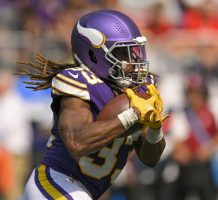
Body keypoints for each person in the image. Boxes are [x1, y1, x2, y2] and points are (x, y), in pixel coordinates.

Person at [18, 9, 167, 200]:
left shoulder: (140, 89)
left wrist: (155, 127)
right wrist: (133, 115)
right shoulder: (79, 81)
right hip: (57, 183)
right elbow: (77, 142)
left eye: (135, 52)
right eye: (123, 53)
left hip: (80, 192)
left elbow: (150, 158)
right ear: (94, 55)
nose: (134, 62)